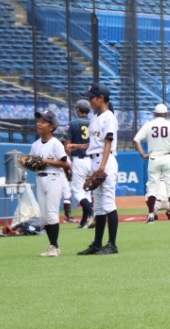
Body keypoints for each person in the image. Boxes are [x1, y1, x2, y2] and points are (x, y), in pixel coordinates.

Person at [69, 82, 120, 255]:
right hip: (95, 161)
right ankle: (97, 244)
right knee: (98, 206)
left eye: (92, 97)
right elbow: (94, 145)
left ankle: (112, 244)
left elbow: (108, 143)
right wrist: (77, 146)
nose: (89, 100)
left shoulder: (109, 117)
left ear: (101, 98)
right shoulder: (95, 118)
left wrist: (102, 167)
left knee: (108, 203)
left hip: (106, 162)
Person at [133, 103, 170, 224]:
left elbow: (136, 139)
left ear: (154, 114)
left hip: (154, 157)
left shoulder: (149, 125)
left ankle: (151, 216)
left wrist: (143, 154)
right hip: (168, 157)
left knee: (153, 188)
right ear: (166, 114)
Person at [30, 110, 70, 257]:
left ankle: (54, 247)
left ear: (52, 127)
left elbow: (65, 163)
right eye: (38, 121)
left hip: (53, 178)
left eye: (43, 122)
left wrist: (45, 160)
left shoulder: (55, 144)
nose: (39, 124)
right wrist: (26, 163)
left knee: (52, 213)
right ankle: (53, 246)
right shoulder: (35, 145)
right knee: (44, 216)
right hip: (40, 178)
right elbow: (32, 164)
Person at [64, 99, 94, 229]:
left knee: (77, 192)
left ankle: (92, 213)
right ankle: (84, 221)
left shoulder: (73, 123)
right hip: (93, 160)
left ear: (78, 110)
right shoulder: (94, 122)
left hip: (79, 160)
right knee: (87, 192)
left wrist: (68, 161)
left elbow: (67, 145)